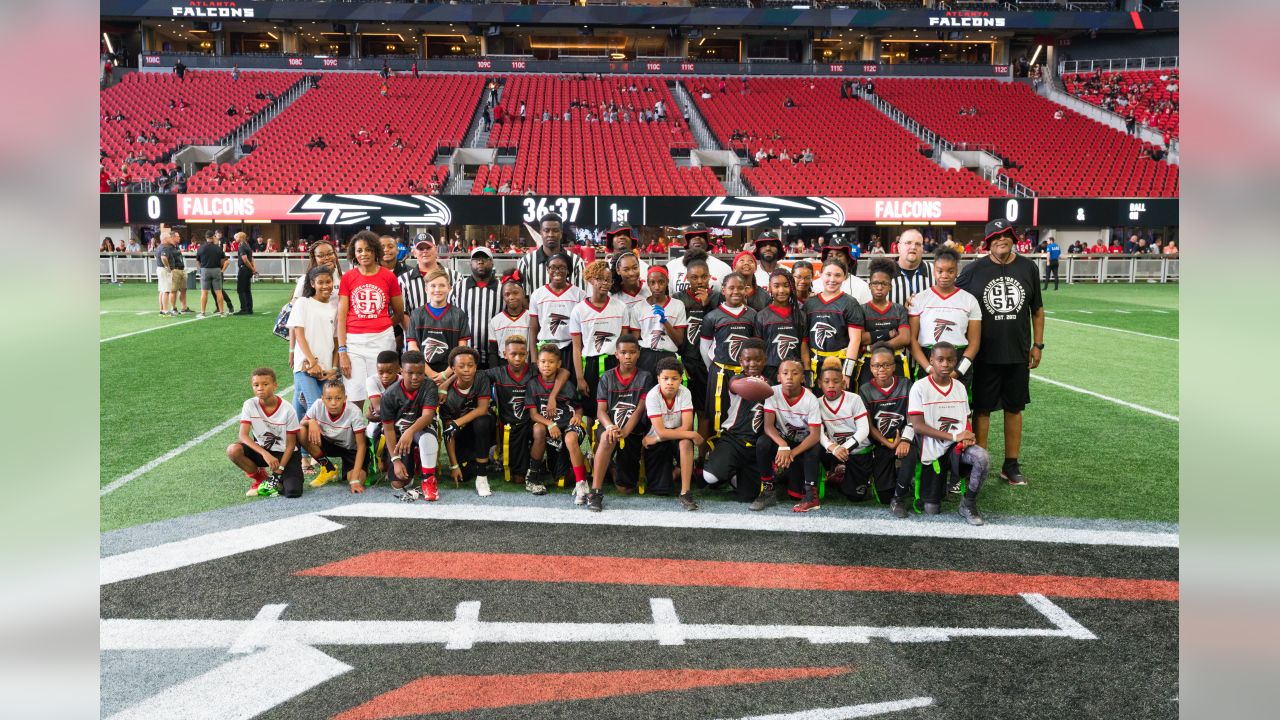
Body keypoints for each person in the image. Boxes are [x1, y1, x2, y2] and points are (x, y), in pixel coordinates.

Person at [956, 220, 1045, 487]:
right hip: (983, 354)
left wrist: (1038, 345)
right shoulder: (973, 270)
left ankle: (1011, 465)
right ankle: (979, 463)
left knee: (1014, 408)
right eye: (995, 238)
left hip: (1018, 353)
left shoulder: (1028, 267)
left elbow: (1037, 310)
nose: (1001, 241)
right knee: (982, 409)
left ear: (1013, 238)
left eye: (1005, 236)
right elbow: (950, 296)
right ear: (988, 243)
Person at [907, 342, 989, 525]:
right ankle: (922, 483)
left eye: (950, 360)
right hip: (932, 451)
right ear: (931, 361)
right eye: (940, 359)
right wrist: (954, 436)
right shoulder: (919, 387)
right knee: (931, 510)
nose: (945, 364)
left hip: (956, 447)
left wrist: (968, 435)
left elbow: (965, 418)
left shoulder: (959, 387)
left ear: (956, 362)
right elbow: (918, 426)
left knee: (982, 458)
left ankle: (968, 503)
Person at [336, 231, 405, 408]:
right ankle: (357, 434)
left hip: (382, 340)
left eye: (367, 250)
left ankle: (384, 433)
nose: (363, 254)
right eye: (359, 250)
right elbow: (341, 317)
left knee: (385, 393)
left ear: (375, 251)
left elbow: (399, 312)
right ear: (354, 253)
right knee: (354, 394)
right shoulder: (348, 277)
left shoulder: (388, 276)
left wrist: (382, 325)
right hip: (354, 343)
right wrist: (342, 351)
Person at [587, 335, 656, 508]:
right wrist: (610, 426)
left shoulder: (645, 377)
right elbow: (600, 411)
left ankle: (610, 466)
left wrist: (625, 431)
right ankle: (595, 492)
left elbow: (640, 408)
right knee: (606, 437)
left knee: (625, 489)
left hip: (633, 430)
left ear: (638, 354)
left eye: (632, 352)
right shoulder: (607, 377)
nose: (627, 356)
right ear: (616, 354)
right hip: (610, 426)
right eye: (623, 352)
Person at [635, 357, 701, 510]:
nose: (670, 382)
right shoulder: (653, 396)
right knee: (661, 489)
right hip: (659, 439)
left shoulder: (685, 393)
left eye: (674, 378)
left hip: (664, 439)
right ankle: (680, 471)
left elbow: (687, 425)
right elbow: (662, 431)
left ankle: (685, 492)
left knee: (685, 443)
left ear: (681, 379)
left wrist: (658, 438)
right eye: (665, 378)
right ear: (658, 379)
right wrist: (690, 434)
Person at [759, 359, 824, 512]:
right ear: (778, 377)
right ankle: (768, 488)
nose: (789, 377)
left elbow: (814, 436)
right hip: (784, 441)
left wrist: (791, 453)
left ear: (803, 378)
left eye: (795, 373)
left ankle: (811, 496)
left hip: (802, 445)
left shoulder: (811, 399)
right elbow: (768, 427)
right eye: (785, 373)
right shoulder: (772, 392)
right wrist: (783, 445)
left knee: (794, 494)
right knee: (763, 442)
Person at [226, 367, 302, 498]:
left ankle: (278, 479)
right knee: (233, 450)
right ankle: (260, 478)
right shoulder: (249, 404)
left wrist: (279, 471)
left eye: (265, 384)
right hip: (264, 451)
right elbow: (242, 435)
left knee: (292, 492)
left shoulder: (288, 409)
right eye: (256, 385)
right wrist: (265, 453)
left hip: (286, 454)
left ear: (275, 386)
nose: (260, 388)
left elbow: (291, 445)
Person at [908, 247, 981, 383]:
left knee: (958, 403)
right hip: (928, 358)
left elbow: (974, 343)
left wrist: (959, 371)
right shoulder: (920, 299)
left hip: (959, 360)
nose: (944, 275)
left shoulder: (969, 300)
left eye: (950, 271)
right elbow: (912, 340)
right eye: (940, 271)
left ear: (956, 272)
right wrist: (929, 368)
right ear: (934, 271)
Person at [525, 343, 588, 497]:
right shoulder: (533, 384)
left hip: (567, 426)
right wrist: (550, 423)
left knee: (571, 438)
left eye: (551, 362)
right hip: (549, 427)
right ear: (537, 364)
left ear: (558, 364)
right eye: (543, 362)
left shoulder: (567, 385)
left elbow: (578, 407)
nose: (546, 365)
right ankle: (532, 477)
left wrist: (578, 416)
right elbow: (533, 415)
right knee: (538, 429)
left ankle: (582, 484)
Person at [673, 252, 721, 457]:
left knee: (704, 412)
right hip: (686, 362)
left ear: (710, 276)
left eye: (703, 276)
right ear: (687, 278)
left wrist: (706, 305)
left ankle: (701, 458)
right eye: (694, 277)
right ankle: (681, 457)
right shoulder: (678, 299)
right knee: (682, 412)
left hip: (707, 363)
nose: (699, 281)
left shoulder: (718, 298)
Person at [700, 273, 759, 437]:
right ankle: (714, 449)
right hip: (720, 372)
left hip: (745, 372)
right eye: (731, 288)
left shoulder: (753, 315)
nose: (736, 292)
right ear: (723, 291)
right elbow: (705, 346)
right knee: (717, 411)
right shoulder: (712, 316)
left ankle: (742, 446)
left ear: (746, 290)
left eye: (740, 288)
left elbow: (757, 346)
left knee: (745, 410)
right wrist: (711, 367)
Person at [380, 351, 443, 502]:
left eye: (420, 373)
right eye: (410, 373)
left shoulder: (429, 386)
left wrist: (410, 431)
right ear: (401, 371)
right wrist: (395, 460)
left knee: (427, 436)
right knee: (398, 483)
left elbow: (427, 416)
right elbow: (388, 429)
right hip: (399, 435)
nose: (415, 377)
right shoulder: (389, 395)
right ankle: (414, 458)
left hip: (421, 429)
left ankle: (429, 480)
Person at [570, 260, 629, 414]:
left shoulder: (621, 307)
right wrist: (580, 378)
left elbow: (624, 342)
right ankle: (593, 438)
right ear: (590, 279)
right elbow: (576, 347)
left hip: (614, 363)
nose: (605, 283)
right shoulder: (579, 310)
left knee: (615, 407)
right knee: (590, 410)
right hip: (591, 364)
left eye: (608, 279)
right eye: (599, 278)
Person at [288, 266, 340, 433]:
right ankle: (310, 454)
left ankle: (300, 452)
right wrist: (312, 362)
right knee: (315, 405)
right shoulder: (303, 303)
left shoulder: (335, 307)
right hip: (306, 366)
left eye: (328, 282)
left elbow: (336, 341)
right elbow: (299, 334)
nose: (325, 286)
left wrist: (334, 368)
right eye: (320, 282)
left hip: (325, 369)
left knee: (301, 405)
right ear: (312, 283)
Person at [437, 347, 495, 496]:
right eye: (461, 366)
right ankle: (479, 460)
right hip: (462, 434)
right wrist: (454, 466)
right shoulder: (446, 397)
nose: (467, 370)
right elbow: (448, 434)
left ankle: (482, 477)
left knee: (482, 420)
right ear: (453, 369)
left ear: (476, 366)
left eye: (470, 365)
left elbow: (482, 409)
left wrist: (457, 422)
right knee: (465, 474)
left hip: (482, 428)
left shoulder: (481, 378)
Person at [815, 359, 874, 502]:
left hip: (857, 451)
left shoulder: (854, 399)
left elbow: (864, 430)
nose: (831, 386)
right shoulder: (816, 403)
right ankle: (834, 471)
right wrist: (833, 448)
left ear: (843, 383)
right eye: (826, 381)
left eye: (835, 381)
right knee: (813, 446)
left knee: (855, 496)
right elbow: (818, 431)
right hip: (834, 451)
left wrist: (844, 448)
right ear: (819, 383)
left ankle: (844, 474)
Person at [529, 253, 587, 396]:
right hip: (546, 348)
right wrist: (534, 358)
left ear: (568, 270)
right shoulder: (537, 294)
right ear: (547, 270)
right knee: (546, 391)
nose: (557, 271)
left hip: (570, 348)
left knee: (569, 390)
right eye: (553, 267)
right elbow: (533, 328)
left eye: (562, 267)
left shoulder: (579, 294)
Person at [804, 258, 865, 389]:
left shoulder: (850, 303)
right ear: (820, 275)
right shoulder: (810, 303)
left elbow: (855, 340)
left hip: (840, 365)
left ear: (844, 277)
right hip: (815, 366)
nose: (832, 279)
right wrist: (807, 373)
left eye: (838, 275)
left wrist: (847, 373)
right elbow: (805, 341)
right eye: (828, 274)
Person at [299, 379, 368, 493]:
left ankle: (371, 461)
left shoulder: (354, 411)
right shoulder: (318, 405)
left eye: (338, 398)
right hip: (328, 443)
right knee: (301, 431)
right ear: (322, 398)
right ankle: (328, 468)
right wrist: (311, 422)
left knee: (356, 480)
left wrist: (355, 480)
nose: (333, 403)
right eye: (329, 398)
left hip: (351, 449)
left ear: (345, 398)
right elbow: (301, 425)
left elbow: (361, 446)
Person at [405, 268, 471, 385]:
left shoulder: (459, 315)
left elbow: (461, 350)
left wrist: (446, 374)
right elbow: (413, 348)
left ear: (449, 288)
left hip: (451, 374)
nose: (437, 290)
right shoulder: (416, 314)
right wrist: (430, 373)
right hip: (422, 373)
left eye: (442, 285)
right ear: (426, 289)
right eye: (433, 286)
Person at [858, 259, 911, 387]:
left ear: (890, 286)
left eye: (884, 283)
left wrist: (874, 347)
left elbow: (905, 338)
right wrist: (888, 334)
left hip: (895, 362)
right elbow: (861, 338)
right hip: (868, 363)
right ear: (869, 285)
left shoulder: (899, 309)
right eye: (875, 283)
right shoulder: (861, 309)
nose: (879, 287)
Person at [628, 266, 686, 379]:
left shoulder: (678, 305)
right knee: (646, 392)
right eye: (652, 282)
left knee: (668, 392)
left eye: (661, 282)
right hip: (646, 355)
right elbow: (635, 340)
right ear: (648, 284)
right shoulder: (638, 307)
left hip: (668, 355)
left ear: (667, 282)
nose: (657, 287)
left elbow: (679, 341)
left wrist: (664, 321)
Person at [448, 246, 501, 370]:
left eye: (485, 258)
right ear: (470, 263)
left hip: (495, 354)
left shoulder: (502, 288)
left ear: (492, 262)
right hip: (465, 354)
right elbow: (449, 318)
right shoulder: (458, 288)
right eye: (476, 258)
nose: (480, 261)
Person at [755, 269, 809, 385]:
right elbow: (759, 351)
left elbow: (804, 349)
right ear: (770, 288)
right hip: (769, 372)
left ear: (792, 288)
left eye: (786, 286)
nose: (781, 290)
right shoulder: (761, 316)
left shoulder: (801, 316)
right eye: (776, 286)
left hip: (794, 372)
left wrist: (807, 375)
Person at [517, 212, 586, 291]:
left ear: (561, 233)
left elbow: (581, 297)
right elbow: (523, 298)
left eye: (555, 230)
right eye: (546, 230)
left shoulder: (576, 262)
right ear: (541, 233)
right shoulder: (526, 262)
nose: (551, 234)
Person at [363, 349, 401, 474]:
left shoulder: (402, 381)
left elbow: (378, 412)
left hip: (396, 421)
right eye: (381, 372)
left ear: (398, 369)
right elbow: (378, 407)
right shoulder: (372, 380)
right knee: (369, 432)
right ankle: (373, 461)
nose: (384, 376)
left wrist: (372, 416)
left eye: (389, 372)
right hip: (379, 422)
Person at [667, 224, 732, 294]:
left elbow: (727, 298)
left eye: (702, 236)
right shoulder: (672, 266)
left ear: (707, 242)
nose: (697, 238)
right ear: (688, 243)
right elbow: (668, 298)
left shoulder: (724, 268)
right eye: (692, 236)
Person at [488, 272, 532, 369]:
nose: (511, 297)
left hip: (527, 368)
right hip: (504, 367)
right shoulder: (495, 321)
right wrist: (495, 374)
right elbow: (493, 353)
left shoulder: (531, 317)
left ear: (523, 293)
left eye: (515, 293)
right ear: (503, 297)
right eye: (507, 294)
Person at [889, 228, 933, 307]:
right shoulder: (885, 272)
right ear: (899, 247)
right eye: (908, 243)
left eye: (918, 244)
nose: (913, 247)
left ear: (922, 249)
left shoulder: (934, 271)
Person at [195, 230, 229, 318]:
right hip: (216, 270)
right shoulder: (218, 248)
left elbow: (198, 261)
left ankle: (202, 313)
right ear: (213, 237)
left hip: (205, 270)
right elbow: (223, 259)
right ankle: (221, 312)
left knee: (204, 292)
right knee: (219, 292)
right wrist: (221, 269)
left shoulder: (201, 248)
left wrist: (202, 269)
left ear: (206, 237)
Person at [233, 232, 257, 314]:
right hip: (248, 270)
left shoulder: (241, 246)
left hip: (244, 269)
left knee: (241, 290)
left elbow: (245, 260)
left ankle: (244, 309)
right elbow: (252, 259)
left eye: (236, 237)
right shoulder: (247, 245)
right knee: (247, 290)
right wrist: (253, 269)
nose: (235, 238)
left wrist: (252, 269)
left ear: (240, 237)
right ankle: (249, 309)